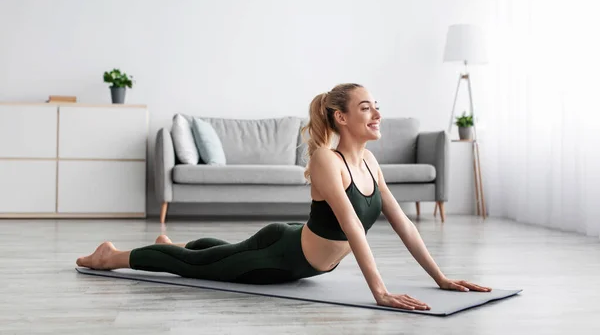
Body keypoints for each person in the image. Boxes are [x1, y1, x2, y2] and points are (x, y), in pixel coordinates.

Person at [76, 82, 491, 311]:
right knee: (197, 268)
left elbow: (405, 227)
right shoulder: (329, 161)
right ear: (342, 118)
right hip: (281, 259)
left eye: (376, 106)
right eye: (367, 108)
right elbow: (352, 227)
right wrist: (379, 292)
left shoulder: (371, 164)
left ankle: (172, 244)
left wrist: (440, 278)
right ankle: (110, 255)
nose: (378, 114)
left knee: (220, 251)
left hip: (291, 242)